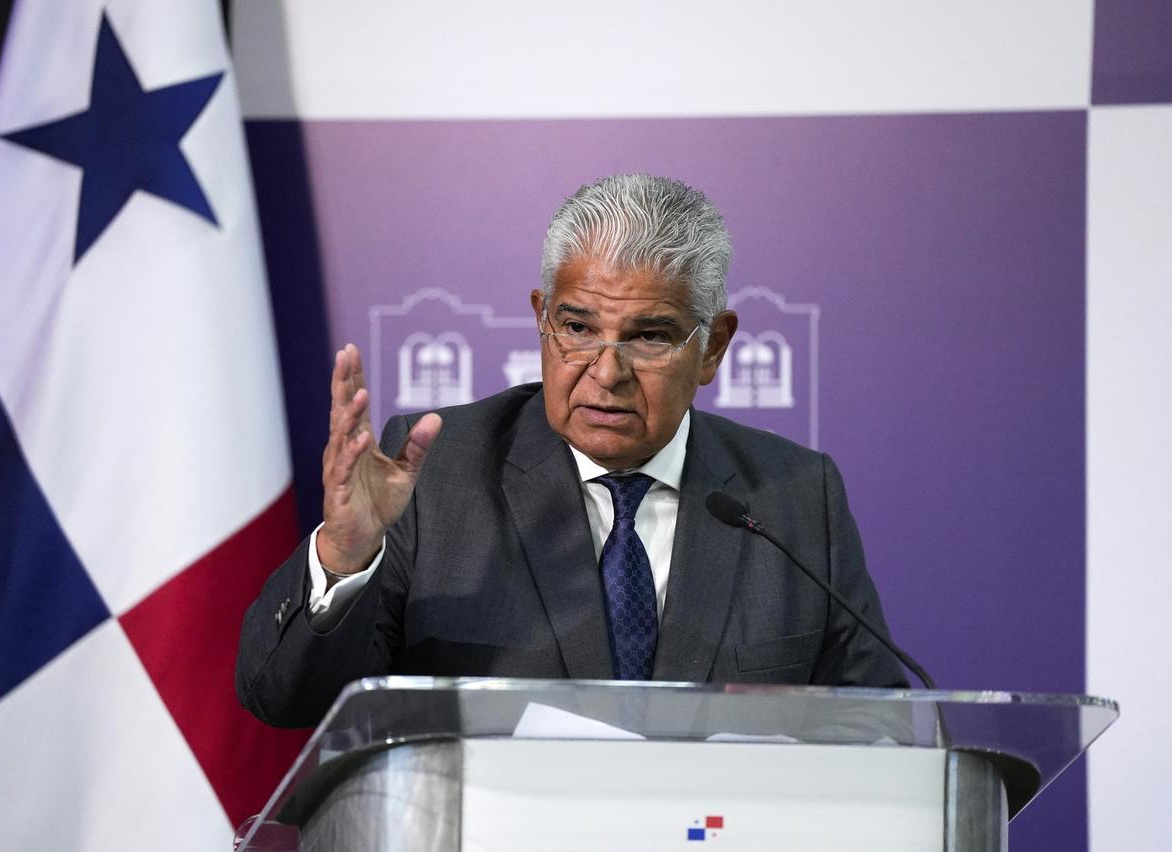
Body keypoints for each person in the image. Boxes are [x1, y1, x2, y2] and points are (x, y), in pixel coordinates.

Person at [236, 174, 905, 728]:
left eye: (650, 336)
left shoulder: (793, 495)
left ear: (715, 347)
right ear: (540, 318)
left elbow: (879, 732)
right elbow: (285, 701)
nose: (605, 372)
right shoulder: (438, 476)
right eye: (577, 326)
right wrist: (344, 554)